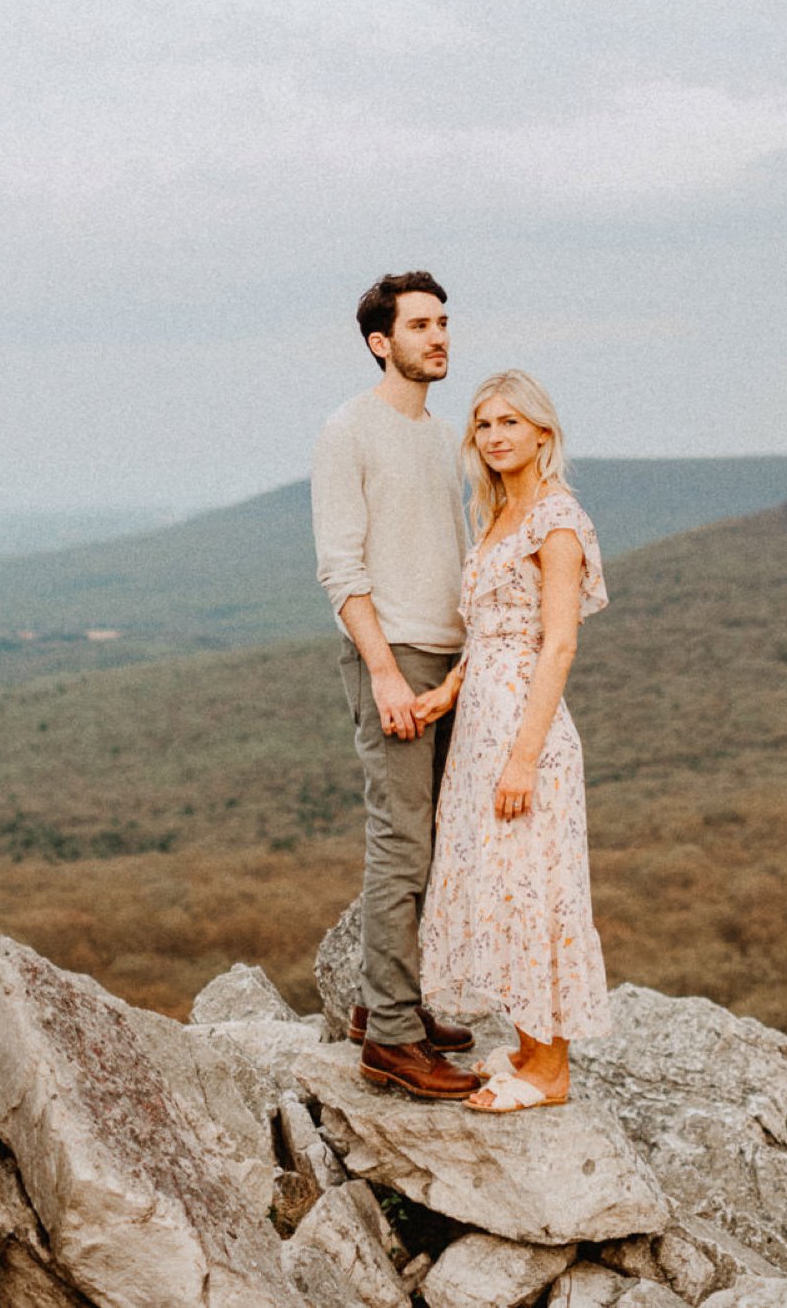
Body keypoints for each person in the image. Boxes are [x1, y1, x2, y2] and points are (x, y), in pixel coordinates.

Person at [417, 369, 613, 1112]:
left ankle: (550, 1073)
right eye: (484, 425)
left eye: (509, 423)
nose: (496, 437)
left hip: (526, 736)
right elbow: (494, 633)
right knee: (501, 885)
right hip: (480, 730)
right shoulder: (497, 513)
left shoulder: (556, 519)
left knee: (539, 891)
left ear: (542, 433)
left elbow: (557, 644)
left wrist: (523, 757)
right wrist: (450, 688)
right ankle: (529, 1047)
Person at [312, 271, 484, 1100]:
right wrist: (384, 674)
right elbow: (340, 570)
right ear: (382, 342)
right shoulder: (350, 431)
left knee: (440, 846)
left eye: (443, 322)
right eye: (420, 325)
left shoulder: (444, 437)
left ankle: (393, 1006)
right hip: (395, 658)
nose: (439, 336)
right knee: (402, 844)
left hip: (449, 662)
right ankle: (390, 1039)